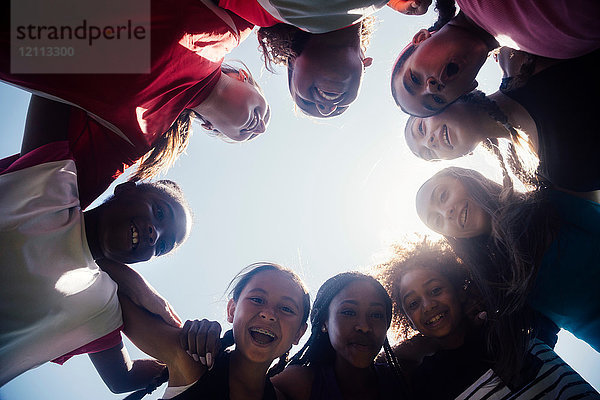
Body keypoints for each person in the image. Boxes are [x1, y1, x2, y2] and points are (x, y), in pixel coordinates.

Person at [0, 96, 193, 391]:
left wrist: (191, 361)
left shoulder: (99, 303)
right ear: (127, 189)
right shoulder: (50, 185)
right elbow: (53, 85)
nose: (156, 234)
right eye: (159, 212)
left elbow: (121, 379)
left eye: (163, 245)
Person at [0, 0, 269, 206]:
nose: (261, 130)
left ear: (211, 128)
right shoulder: (231, 26)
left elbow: (42, 192)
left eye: (244, 137)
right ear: (243, 77)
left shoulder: (138, 136)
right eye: (265, 113)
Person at [375, 237, 600, 399]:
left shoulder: (509, 324)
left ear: (460, 290)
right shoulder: (425, 380)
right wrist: (425, 342)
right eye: (413, 304)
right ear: (407, 320)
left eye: (435, 290)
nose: (428, 305)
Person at [414, 167, 600, 354]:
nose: (446, 213)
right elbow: (536, 341)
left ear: (464, 177)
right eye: (437, 221)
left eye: (443, 195)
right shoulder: (502, 285)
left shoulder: (552, 197)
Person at [404, 49, 600, 192]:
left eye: (421, 128)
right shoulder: (549, 176)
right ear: (464, 155)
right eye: (430, 153)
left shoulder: (516, 54)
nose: (429, 142)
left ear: (443, 98)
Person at [119, 262, 310, 399]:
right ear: (232, 311)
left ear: (299, 334)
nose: (269, 314)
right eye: (257, 300)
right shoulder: (191, 359)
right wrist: (146, 293)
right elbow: (104, 286)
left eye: (286, 309)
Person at [390, 0, 600, 117]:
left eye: (414, 79)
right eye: (436, 100)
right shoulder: (558, 49)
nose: (431, 88)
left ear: (421, 38)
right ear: (469, 89)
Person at [216, 1, 375, 118]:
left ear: (292, 59)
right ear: (364, 62)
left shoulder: (264, 9)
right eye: (341, 108)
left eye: (306, 102)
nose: (326, 109)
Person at [271, 272, 409, 399]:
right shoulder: (299, 384)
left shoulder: (403, 381)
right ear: (324, 322)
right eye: (349, 312)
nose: (364, 327)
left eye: (376, 315)